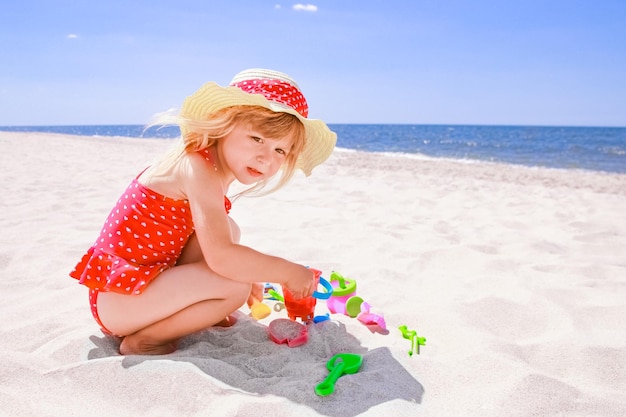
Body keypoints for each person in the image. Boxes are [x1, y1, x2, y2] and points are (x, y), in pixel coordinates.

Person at [69, 68, 337, 355]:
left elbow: (216, 247)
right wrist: (286, 272)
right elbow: (222, 258)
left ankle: (199, 307)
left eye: (280, 151)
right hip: (120, 300)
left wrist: (249, 273)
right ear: (224, 124)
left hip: (132, 293)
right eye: (257, 139)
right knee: (234, 287)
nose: (266, 158)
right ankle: (145, 340)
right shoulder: (196, 167)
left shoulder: (208, 165)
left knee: (228, 229)